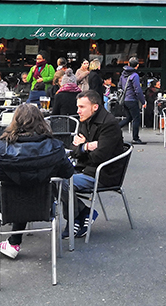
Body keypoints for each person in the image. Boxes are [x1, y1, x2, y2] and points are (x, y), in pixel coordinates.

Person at [0, 103, 74, 258]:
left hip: (8, 204)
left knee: (17, 188)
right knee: (30, 187)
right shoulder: (55, 148)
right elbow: (68, 172)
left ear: (15, 121)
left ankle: (13, 242)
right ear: (42, 121)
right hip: (43, 203)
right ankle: (14, 242)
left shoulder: (1, 150)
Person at [62, 91, 126, 238]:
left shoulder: (109, 124)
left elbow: (99, 157)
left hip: (103, 174)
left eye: (82, 107)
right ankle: (83, 212)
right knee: (51, 177)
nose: (78, 111)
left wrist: (82, 147)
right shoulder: (85, 120)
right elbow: (74, 150)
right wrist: (86, 146)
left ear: (95, 107)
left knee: (61, 183)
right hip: (84, 169)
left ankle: (76, 218)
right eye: (78, 107)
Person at [118, 57, 146, 145]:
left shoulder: (123, 74)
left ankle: (115, 127)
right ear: (137, 66)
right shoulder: (135, 75)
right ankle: (135, 138)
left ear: (129, 64)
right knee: (136, 118)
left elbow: (119, 85)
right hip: (132, 99)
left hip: (124, 99)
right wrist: (143, 101)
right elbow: (137, 89)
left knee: (128, 118)